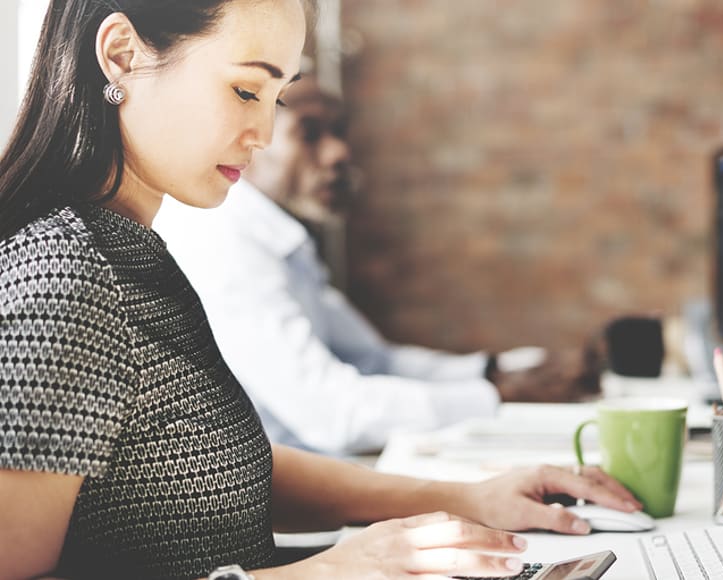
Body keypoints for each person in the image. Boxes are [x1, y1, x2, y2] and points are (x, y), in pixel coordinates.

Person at [0, 1, 639, 578]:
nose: (266, 134)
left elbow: (217, 470)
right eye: (246, 89)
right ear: (122, 55)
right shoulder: (64, 273)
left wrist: (463, 499)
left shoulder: (131, 251)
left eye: (276, 98)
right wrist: (328, 572)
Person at [153, 78, 600, 455]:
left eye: (339, 132)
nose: (338, 153)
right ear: (247, 140)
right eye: (310, 133)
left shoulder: (277, 238)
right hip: (278, 519)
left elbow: (372, 360)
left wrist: (500, 370)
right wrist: (499, 394)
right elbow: (334, 414)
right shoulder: (223, 241)